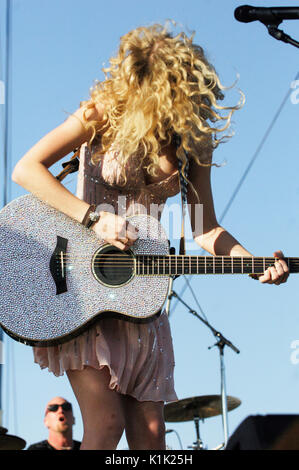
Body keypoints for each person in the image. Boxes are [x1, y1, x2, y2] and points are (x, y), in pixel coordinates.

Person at [12, 22, 289, 450]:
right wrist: (93, 219)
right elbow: (26, 169)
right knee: (105, 425)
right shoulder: (101, 113)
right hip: (79, 286)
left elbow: (205, 228)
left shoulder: (192, 141)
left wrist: (254, 264)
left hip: (142, 295)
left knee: (153, 438)